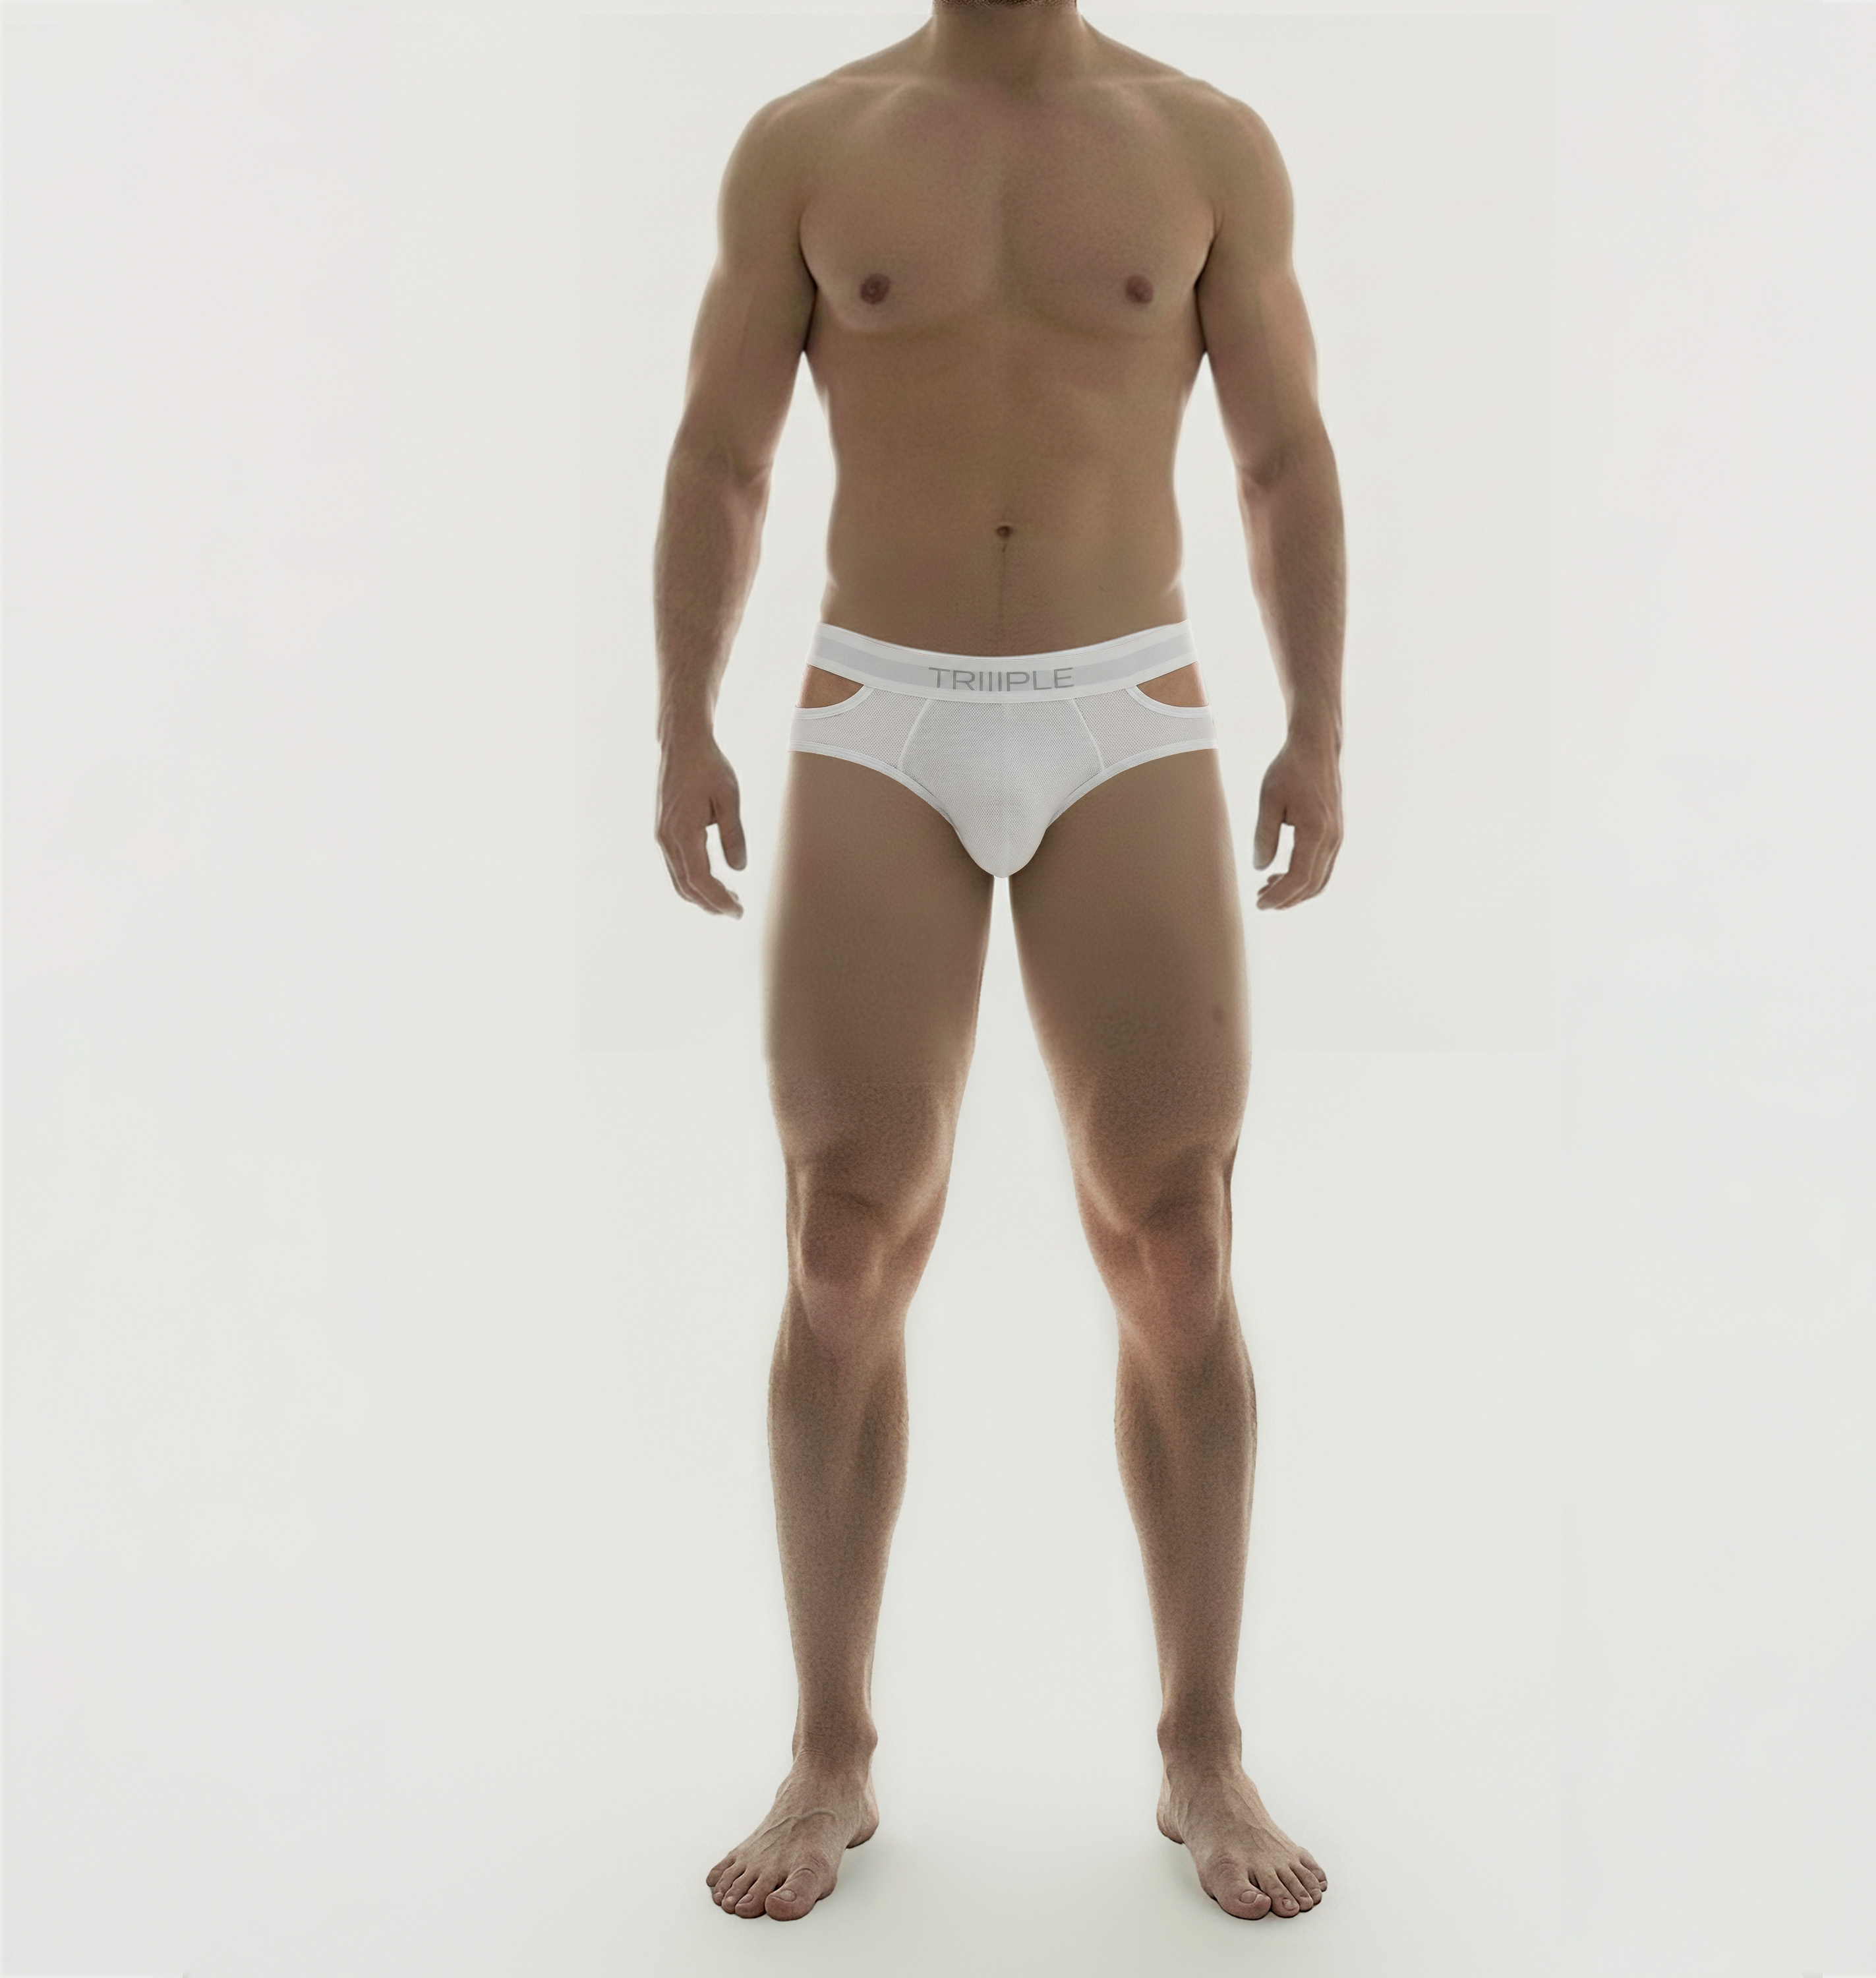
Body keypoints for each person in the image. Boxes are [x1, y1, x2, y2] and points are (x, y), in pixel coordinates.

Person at [653, 0, 1344, 1925]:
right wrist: (682, 721)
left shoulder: (1206, 141)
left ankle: (1203, 1746)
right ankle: (830, 1750)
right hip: (881, 706)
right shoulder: (809, 141)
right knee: (842, 1241)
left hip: (1125, 704)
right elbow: (721, 456)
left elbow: (1285, 458)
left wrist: (1319, 726)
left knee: (1181, 1239)